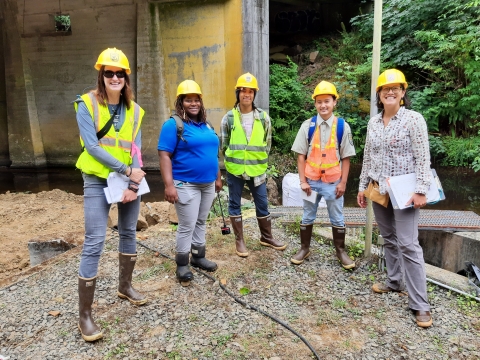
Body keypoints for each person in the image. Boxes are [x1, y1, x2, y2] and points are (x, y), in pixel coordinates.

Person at [74, 47, 147, 342]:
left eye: (120, 73)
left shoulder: (136, 110)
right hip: (97, 179)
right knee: (94, 241)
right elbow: (91, 147)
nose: (114, 77)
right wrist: (127, 171)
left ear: (126, 78)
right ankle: (85, 316)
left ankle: (125, 286)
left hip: (127, 181)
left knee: (128, 232)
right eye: (109, 73)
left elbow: (137, 150)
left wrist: (133, 183)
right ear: (101, 75)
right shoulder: (86, 104)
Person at [357, 69, 433, 328]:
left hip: (404, 190)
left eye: (395, 88)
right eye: (384, 88)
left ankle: (420, 305)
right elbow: (368, 156)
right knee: (388, 237)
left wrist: (422, 189)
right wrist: (362, 186)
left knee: (409, 244)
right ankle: (394, 281)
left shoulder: (413, 120)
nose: (390, 92)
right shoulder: (373, 123)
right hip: (378, 187)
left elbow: (423, 156)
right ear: (379, 95)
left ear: (403, 92)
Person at [158, 80, 221, 286]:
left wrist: (218, 177)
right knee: (187, 225)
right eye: (188, 100)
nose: (193, 104)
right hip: (186, 183)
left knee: (201, 221)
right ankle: (182, 264)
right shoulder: (173, 125)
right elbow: (164, 155)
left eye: (196, 100)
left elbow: (212, 154)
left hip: (208, 183)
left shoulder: (207, 125)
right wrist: (169, 185)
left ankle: (198, 256)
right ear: (180, 102)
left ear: (201, 102)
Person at [290, 81, 356, 269]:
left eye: (327, 101)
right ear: (315, 103)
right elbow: (301, 157)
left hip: (333, 183)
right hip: (310, 181)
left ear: (335, 102)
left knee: (337, 217)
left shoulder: (342, 126)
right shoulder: (307, 126)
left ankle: (341, 251)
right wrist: (302, 181)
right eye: (319, 101)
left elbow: (346, 158)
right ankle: (304, 248)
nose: (323, 105)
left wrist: (343, 183)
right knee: (307, 215)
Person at [221, 73, 286, 257]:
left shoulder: (263, 118)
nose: (246, 95)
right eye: (243, 91)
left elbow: (267, 144)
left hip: (256, 169)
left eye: (250, 91)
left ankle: (266, 237)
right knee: (234, 204)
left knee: (262, 203)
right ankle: (239, 241)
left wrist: (257, 160)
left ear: (254, 94)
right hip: (235, 169)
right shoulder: (229, 118)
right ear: (238, 93)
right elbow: (224, 145)